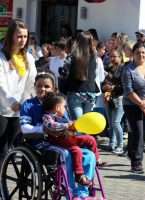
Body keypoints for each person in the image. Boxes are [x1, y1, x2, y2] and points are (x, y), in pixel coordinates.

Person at [20, 72, 96, 199]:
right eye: (39, 86)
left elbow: (68, 124)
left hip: (63, 141)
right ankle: (69, 191)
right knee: (64, 154)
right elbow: (24, 128)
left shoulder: (60, 104)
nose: (42, 89)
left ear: (54, 89)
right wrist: (43, 129)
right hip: (40, 143)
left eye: (46, 86)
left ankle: (82, 192)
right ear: (34, 87)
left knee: (89, 154)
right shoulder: (29, 105)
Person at [42, 92, 101, 186]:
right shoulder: (47, 117)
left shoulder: (63, 116)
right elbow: (51, 126)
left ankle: (97, 159)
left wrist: (75, 125)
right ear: (57, 107)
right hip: (59, 142)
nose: (65, 109)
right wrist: (67, 125)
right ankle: (79, 175)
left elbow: (72, 125)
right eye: (64, 106)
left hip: (71, 139)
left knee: (90, 139)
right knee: (76, 151)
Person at [0, 19, 37, 167]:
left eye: (25, 37)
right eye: (19, 36)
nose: (22, 40)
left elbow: (31, 83)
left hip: (18, 109)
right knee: (2, 149)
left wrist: (27, 102)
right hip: (2, 108)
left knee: (10, 147)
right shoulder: (2, 57)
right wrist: (11, 102)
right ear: (11, 36)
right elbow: (1, 84)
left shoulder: (28, 58)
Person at [122, 42, 145, 173]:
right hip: (131, 104)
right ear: (133, 54)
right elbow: (128, 90)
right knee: (138, 132)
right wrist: (141, 103)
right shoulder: (128, 69)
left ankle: (131, 152)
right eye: (137, 52)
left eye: (143, 52)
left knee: (141, 133)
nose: (141, 55)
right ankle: (137, 162)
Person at [61, 31, 99, 120]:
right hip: (90, 92)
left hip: (75, 91)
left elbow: (64, 73)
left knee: (78, 124)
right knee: (86, 123)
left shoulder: (72, 57)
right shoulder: (94, 56)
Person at [102, 49, 125, 154]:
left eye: (115, 56)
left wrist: (112, 87)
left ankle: (120, 145)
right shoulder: (110, 68)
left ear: (120, 57)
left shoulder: (123, 69)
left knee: (116, 122)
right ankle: (112, 144)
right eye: (111, 56)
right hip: (109, 98)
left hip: (120, 98)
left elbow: (124, 86)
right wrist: (105, 87)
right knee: (111, 123)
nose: (112, 58)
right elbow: (104, 82)